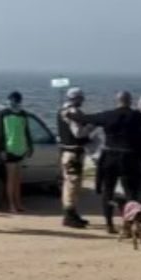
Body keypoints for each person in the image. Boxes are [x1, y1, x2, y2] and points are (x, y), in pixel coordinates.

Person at [71, 91, 141, 234]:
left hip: (110, 157)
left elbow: (84, 118)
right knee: (130, 193)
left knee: (108, 191)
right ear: (130, 101)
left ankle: (109, 224)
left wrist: (68, 115)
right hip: (129, 158)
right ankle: (128, 225)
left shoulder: (108, 115)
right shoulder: (137, 117)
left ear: (117, 101)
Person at [56, 87, 92, 228]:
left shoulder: (61, 111)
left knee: (72, 184)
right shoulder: (72, 113)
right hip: (73, 153)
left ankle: (72, 213)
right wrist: (90, 128)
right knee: (72, 185)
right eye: (81, 98)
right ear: (76, 98)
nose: (82, 101)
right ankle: (69, 215)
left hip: (68, 152)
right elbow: (78, 133)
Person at [0, 91, 33, 213]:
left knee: (18, 179)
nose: (13, 102)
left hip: (21, 148)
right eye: (12, 100)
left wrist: (30, 146)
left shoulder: (23, 114)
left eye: (15, 100)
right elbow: (1, 133)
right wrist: (2, 149)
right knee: (11, 179)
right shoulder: (4, 114)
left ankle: (18, 203)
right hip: (9, 149)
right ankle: (11, 204)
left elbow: (26, 131)